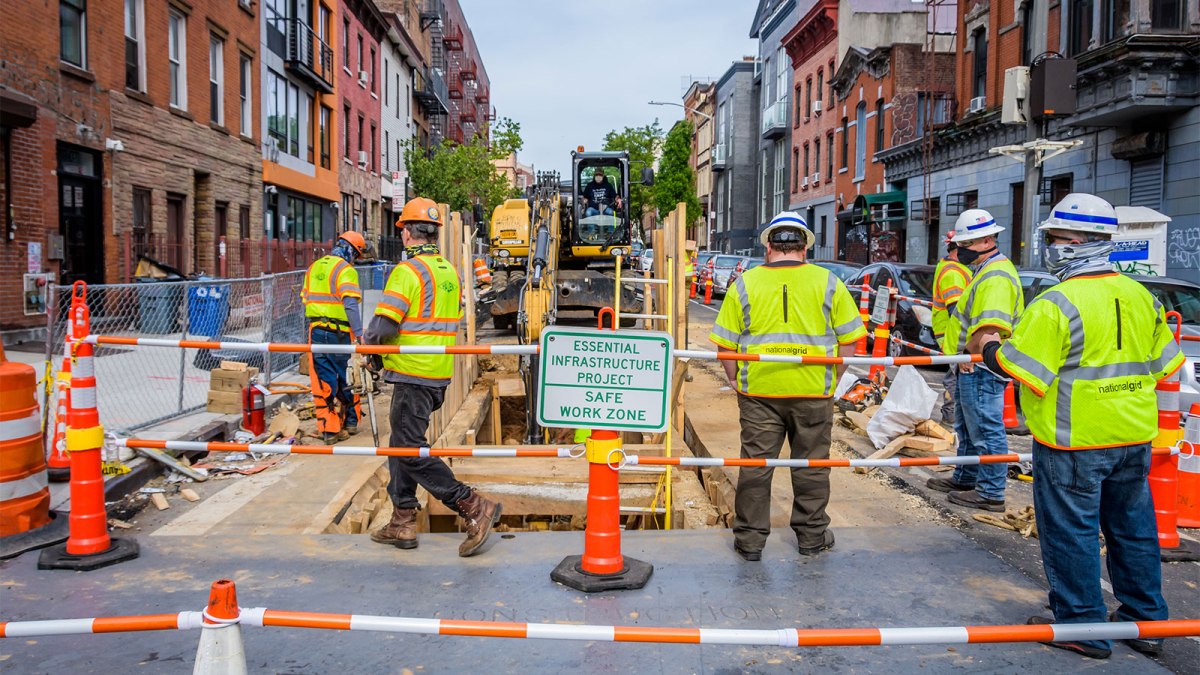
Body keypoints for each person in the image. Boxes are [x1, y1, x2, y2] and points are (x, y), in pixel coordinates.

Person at [975, 193, 1183, 659]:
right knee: (1133, 530)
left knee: (1072, 532)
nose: (1048, 247)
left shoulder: (1056, 303)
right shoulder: (1141, 296)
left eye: (1052, 239)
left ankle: (1082, 624)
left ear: (1072, 243)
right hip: (1132, 437)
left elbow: (1019, 367)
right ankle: (1145, 621)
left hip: (1073, 441)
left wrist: (990, 345)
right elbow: (1164, 365)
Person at [710, 211, 867, 561]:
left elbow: (726, 345)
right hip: (813, 391)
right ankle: (811, 537)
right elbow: (851, 338)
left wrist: (736, 379)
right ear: (804, 248)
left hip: (760, 394)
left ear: (768, 246)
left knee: (756, 465)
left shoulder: (745, 284)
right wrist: (834, 375)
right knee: (812, 465)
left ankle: (750, 542)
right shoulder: (828, 282)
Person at [365, 197, 502, 557]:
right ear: (436, 233)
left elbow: (382, 327)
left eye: (403, 230)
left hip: (413, 373)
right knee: (402, 443)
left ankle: (472, 505)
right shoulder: (450, 272)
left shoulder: (408, 272)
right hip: (437, 374)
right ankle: (402, 519)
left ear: (408, 232)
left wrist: (371, 356)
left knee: (407, 449)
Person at [930, 209, 1024, 512]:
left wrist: (969, 354)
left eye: (966, 243)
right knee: (969, 427)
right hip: (971, 363)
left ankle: (991, 491)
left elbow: (989, 327)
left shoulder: (995, 275)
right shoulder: (985, 270)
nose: (961, 250)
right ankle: (966, 475)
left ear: (986, 240)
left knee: (985, 427)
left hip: (980, 365)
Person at [301, 231, 367, 443]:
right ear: (352, 251)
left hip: (317, 331)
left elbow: (306, 299)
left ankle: (330, 430)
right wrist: (359, 334)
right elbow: (350, 304)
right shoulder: (345, 270)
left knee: (323, 380)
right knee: (347, 376)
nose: (355, 261)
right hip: (340, 333)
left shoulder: (314, 267)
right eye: (356, 256)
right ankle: (350, 421)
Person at [931, 230, 971, 426]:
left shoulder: (954, 268)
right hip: (952, 332)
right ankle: (950, 414)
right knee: (955, 373)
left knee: (957, 372)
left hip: (951, 331)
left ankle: (953, 414)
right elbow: (956, 310)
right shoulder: (953, 272)